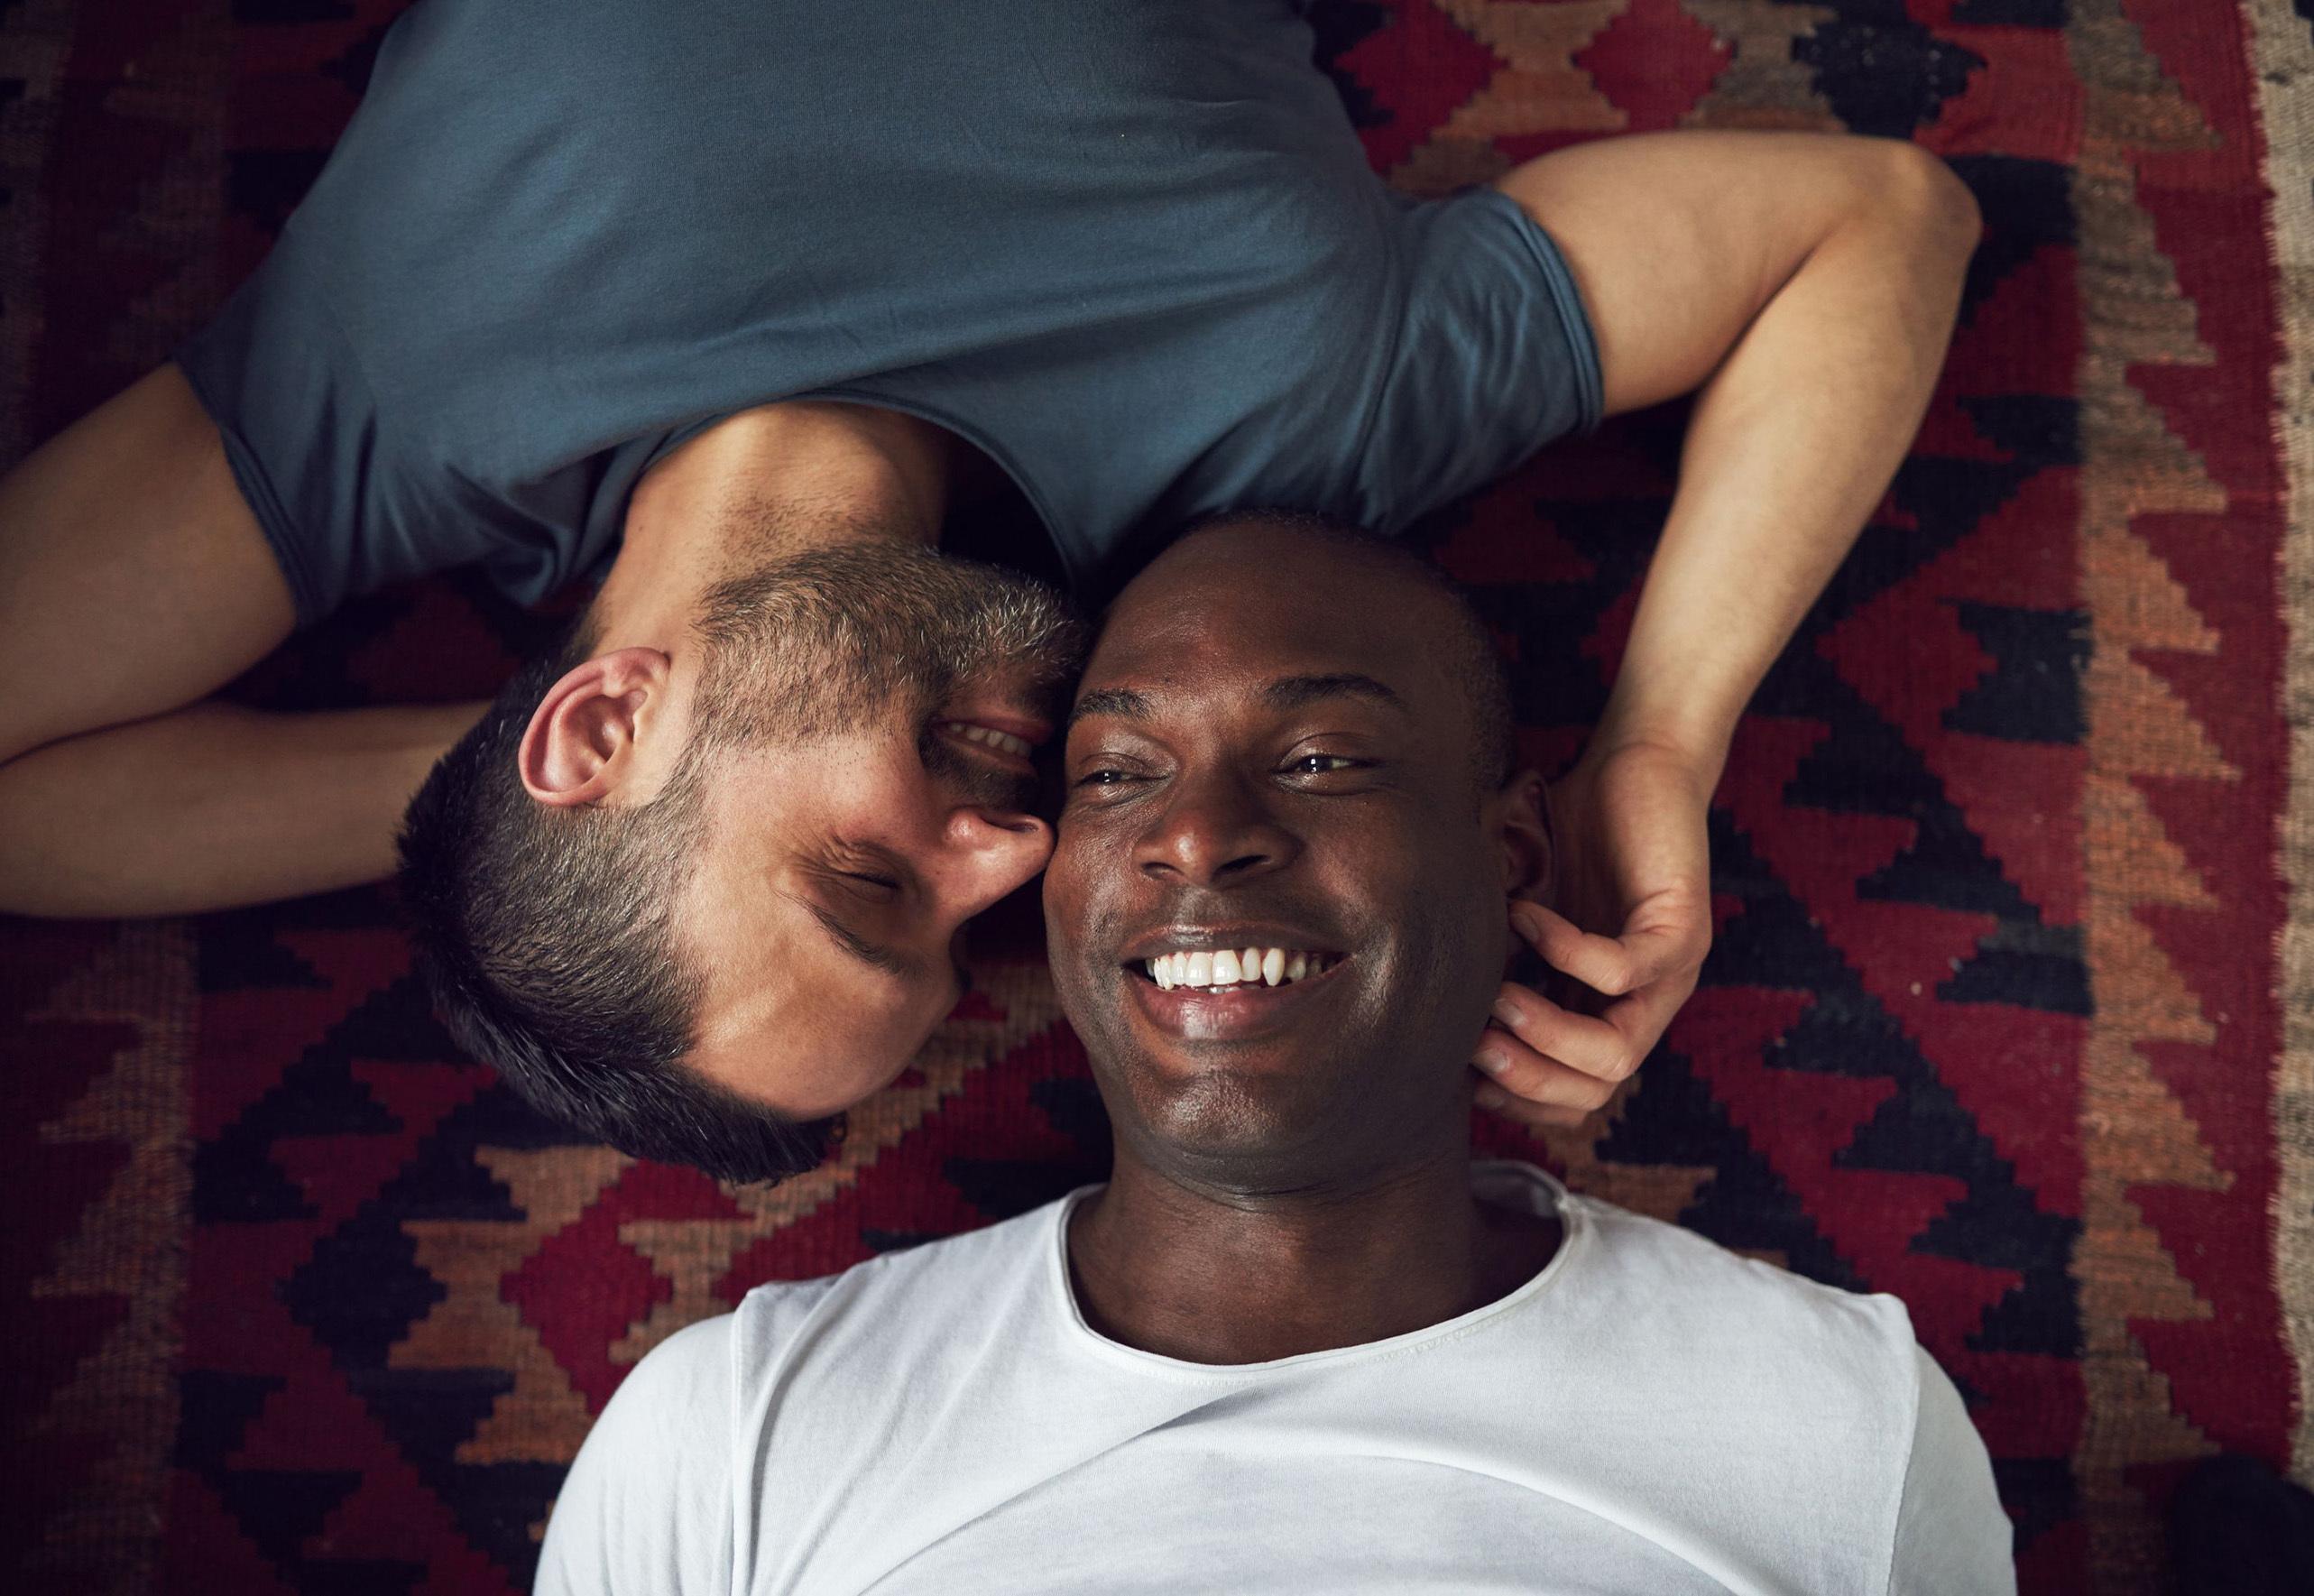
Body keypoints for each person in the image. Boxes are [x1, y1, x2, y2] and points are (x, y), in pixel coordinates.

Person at [0, 1, 1982, 1177]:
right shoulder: (1284, 436)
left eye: (871, 881)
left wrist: (511, 762)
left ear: (593, 726)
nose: (1014, 851)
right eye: (963, 930)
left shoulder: (415, 380)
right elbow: (1876, 221)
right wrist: (1654, 749)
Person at [533, 517, 2015, 1595]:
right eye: (1115, 773)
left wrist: (1655, 752)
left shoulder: (1838, 1425)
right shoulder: (735, 1435)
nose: (1191, 834)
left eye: (1319, 759)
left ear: (1512, 850)